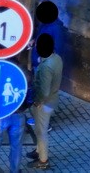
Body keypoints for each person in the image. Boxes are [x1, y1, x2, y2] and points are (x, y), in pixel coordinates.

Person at [27, 33, 63, 169]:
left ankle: (43, 161)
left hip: (44, 103)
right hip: (53, 100)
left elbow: (44, 90)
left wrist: (38, 101)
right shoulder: (57, 59)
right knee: (39, 128)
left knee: (41, 132)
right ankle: (38, 151)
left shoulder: (45, 67)